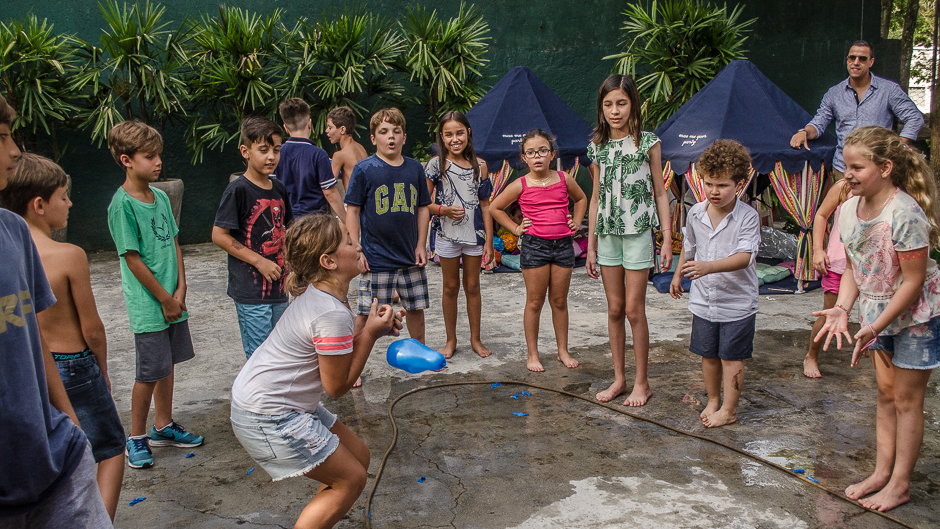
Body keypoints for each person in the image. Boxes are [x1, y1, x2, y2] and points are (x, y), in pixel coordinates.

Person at [230, 213, 403, 529]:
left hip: (272, 402)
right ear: (329, 261)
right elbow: (337, 386)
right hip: (267, 413)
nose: (357, 245)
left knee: (359, 458)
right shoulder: (329, 312)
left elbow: (337, 345)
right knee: (350, 480)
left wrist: (371, 327)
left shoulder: (325, 296)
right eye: (349, 242)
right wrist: (370, 334)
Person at [814, 126, 940, 512]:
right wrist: (844, 309)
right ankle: (881, 472)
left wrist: (877, 324)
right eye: (845, 166)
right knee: (885, 395)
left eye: (857, 167)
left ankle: (900, 483)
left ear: (885, 167)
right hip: (875, 311)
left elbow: (913, 282)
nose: (847, 175)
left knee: (906, 399)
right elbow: (856, 267)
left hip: (915, 315)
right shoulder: (849, 208)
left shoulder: (905, 213)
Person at [0, 95, 112, 527]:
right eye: (4, 138)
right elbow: (93, 328)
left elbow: (34, 340)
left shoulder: (13, 233)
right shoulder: (69, 254)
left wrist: (69, 426)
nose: (14, 151)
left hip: (56, 460)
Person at [107, 120, 204, 469]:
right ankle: (135, 437)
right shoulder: (122, 206)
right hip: (150, 306)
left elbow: (174, 241)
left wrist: (181, 287)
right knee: (148, 371)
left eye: (158, 155)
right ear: (126, 160)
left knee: (167, 366)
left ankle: (162, 426)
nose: (158, 162)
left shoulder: (161, 196)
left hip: (173, 299)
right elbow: (132, 259)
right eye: (149, 156)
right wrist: (163, 298)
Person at [585, 74, 674, 406]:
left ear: (633, 104)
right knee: (615, 309)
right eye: (608, 104)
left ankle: (642, 383)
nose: (615, 111)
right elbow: (595, 198)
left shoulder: (648, 142)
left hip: (638, 233)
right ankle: (619, 379)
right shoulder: (597, 147)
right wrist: (591, 245)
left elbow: (661, 192)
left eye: (621, 103)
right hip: (607, 235)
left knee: (635, 310)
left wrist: (665, 239)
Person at [669, 139, 760, 428]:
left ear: (739, 183)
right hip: (703, 300)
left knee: (731, 358)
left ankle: (730, 409)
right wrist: (677, 274)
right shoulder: (696, 212)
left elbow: (745, 257)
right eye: (709, 184)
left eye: (722, 185)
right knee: (708, 355)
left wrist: (708, 267)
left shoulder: (747, 217)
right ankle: (712, 399)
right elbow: (689, 246)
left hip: (737, 303)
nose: (714, 191)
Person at [490, 129, 588, 372]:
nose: (537, 156)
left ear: (552, 154)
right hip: (535, 248)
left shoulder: (564, 179)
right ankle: (532, 354)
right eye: (531, 152)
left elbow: (582, 199)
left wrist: (576, 221)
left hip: (564, 246)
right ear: (524, 158)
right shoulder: (520, 184)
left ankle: (562, 350)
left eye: (543, 151)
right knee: (535, 302)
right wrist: (515, 228)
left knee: (559, 301)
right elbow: (495, 207)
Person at [345, 108, 432, 348]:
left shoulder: (415, 168)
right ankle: (352, 363)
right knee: (367, 313)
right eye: (384, 132)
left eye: (396, 131)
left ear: (404, 137)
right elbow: (352, 210)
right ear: (373, 139)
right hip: (376, 258)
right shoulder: (364, 169)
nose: (391, 137)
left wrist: (421, 244)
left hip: (409, 256)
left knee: (416, 308)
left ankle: (420, 352)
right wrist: (357, 248)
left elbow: (423, 207)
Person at [212, 117, 294, 359]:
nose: (271, 157)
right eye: (263, 150)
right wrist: (259, 261)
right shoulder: (237, 190)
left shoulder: (279, 187)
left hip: (279, 289)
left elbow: (286, 230)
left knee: (281, 352)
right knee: (260, 357)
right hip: (252, 293)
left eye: (276, 150)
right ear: (245, 152)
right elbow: (219, 235)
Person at [790, 40, 923, 180]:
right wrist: (804, 132)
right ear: (847, 60)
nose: (856, 62)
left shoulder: (889, 91)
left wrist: (897, 146)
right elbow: (819, 122)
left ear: (871, 62)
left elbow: (914, 118)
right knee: (844, 203)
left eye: (862, 58)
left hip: (877, 169)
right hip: (843, 169)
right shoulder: (834, 93)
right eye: (852, 57)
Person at [425, 111, 495, 359]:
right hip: (446, 236)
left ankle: (475, 339)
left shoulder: (481, 166)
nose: (455, 139)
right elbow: (423, 203)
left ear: (468, 133)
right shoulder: (435, 165)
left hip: (474, 236)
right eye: (449, 134)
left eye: (459, 133)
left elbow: (486, 205)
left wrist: (488, 240)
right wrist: (443, 209)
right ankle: (450, 339)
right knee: (450, 287)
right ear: (442, 137)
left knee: (473, 286)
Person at [804, 178, 852, 378]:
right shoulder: (844, 186)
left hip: (870, 267)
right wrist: (817, 249)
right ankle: (811, 356)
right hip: (839, 262)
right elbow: (822, 214)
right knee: (829, 314)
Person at [276, 98, 346, 221]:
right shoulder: (318, 154)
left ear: (285, 128)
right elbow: (330, 193)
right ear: (309, 123)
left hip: (285, 223)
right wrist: (346, 221)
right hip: (315, 223)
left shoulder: (275, 154)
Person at [326, 106, 368, 194]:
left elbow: (329, 184)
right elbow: (353, 174)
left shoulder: (339, 155)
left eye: (330, 127)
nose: (327, 131)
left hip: (353, 204)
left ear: (342, 129)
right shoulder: (361, 148)